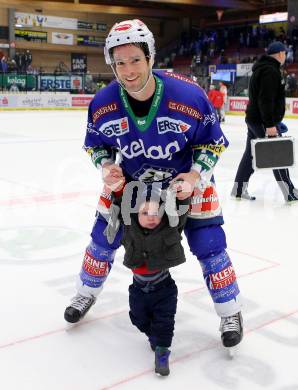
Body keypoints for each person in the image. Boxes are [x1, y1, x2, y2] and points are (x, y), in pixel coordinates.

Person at [64, 19, 243, 350]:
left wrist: (195, 174)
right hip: (132, 182)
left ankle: (230, 312)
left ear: (150, 58)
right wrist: (105, 165)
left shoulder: (188, 95)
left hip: (184, 181)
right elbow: (95, 143)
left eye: (135, 60)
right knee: (103, 237)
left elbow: (213, 142)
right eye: (119, 63)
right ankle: (85, 293)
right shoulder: (103, 102)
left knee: (209, 244)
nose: (128, 70)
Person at [105, 183, 189, 376]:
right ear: (135, 214)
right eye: (145, 213)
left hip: (164, 290)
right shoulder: (129, 226)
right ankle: (154, 336)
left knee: (164, 323)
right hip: (138, 290)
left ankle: (162, 352)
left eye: (156, 212)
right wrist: (117, 188)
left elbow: (182, 210)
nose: (151, 217)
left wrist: (182, 195)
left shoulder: (170, 228)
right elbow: (121, 203)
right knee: (137, 319)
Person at [231, 41, 298, 202]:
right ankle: (289, 191)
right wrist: (270, 124)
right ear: (281, 54)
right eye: (285, 54)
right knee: (277, 153)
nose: (286, 57)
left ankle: (238, 190)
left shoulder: (262, 68)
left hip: (255, 119)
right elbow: (265, 99)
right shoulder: (270, 71)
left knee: (250, 156)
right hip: (263, 121)